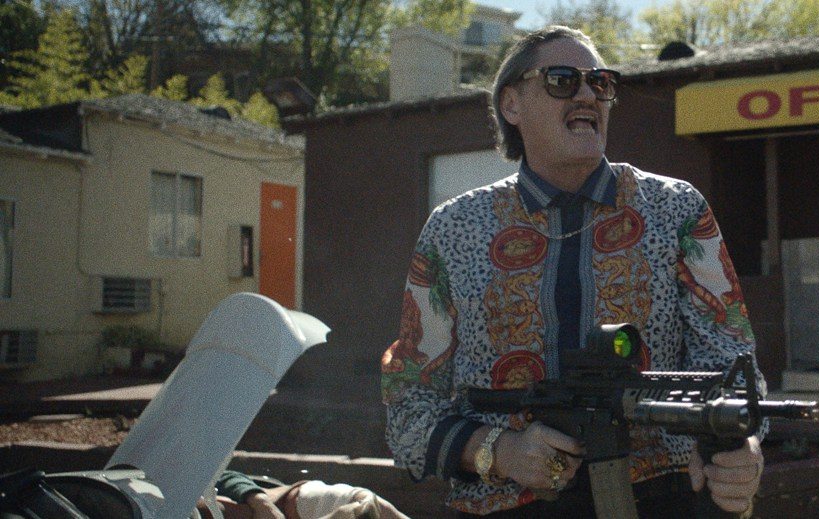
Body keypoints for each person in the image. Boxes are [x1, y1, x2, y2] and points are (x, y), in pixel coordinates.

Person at [381, 25, 767, 517]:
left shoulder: (676, 210)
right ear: (512, 104)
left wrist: (739, 450)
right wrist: (497, 451)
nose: (587, 94)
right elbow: (410, 405)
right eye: (562, 80)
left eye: (600, 82)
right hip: (507, 507)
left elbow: (732, 359)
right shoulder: (454, 228)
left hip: (664, 500)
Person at [198, 470, 410, 519]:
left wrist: (261, 503)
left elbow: (222, 475)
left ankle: (360, 503)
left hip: (289, 505)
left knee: (377, 509)